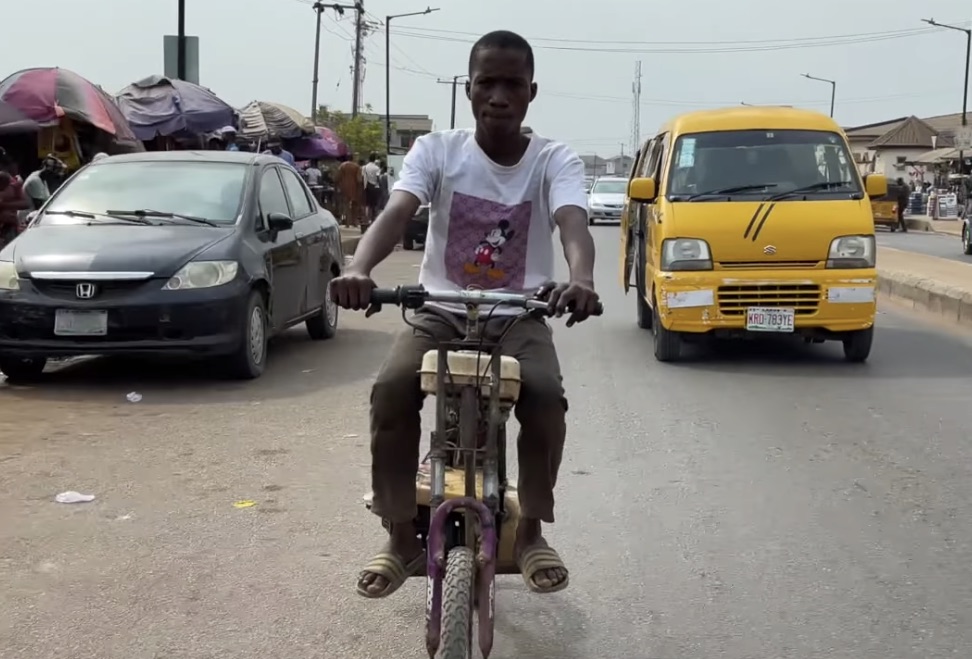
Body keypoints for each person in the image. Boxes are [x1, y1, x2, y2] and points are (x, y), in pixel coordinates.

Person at [330, 29, 598, 599]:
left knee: (545, 396)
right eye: (486, 83)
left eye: (512, 84)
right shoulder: (437, 151)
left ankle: (530, 532)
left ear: (531, 92)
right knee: (391, 390)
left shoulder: (554, 160)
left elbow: (573, 221)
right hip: (439, 311)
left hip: (519, 314)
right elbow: (397, 212)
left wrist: (581, 279)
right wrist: (359, 267)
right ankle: (400, 534)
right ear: (469, 89)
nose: (498, 96)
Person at [335, 158, 364, 227]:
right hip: (354, 187)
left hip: (344, 187)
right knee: (355, 205)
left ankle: (347, 223)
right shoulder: (356, 166)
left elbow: (337, 177)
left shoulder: (342, 166)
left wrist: (337, 186)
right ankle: (354, 222)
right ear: (353, 159)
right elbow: (359, 179)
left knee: (346, 205)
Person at [362, 153, 382, 224]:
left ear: (369, 159)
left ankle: (367, 219)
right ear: (375, 159)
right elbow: (378, 177)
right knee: (374, 204)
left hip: (367, 186)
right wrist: (380, 186)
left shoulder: (364, 167)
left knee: (368, 204)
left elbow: (363, 177)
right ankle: (373, 219)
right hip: (375, 187)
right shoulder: (376, 168)